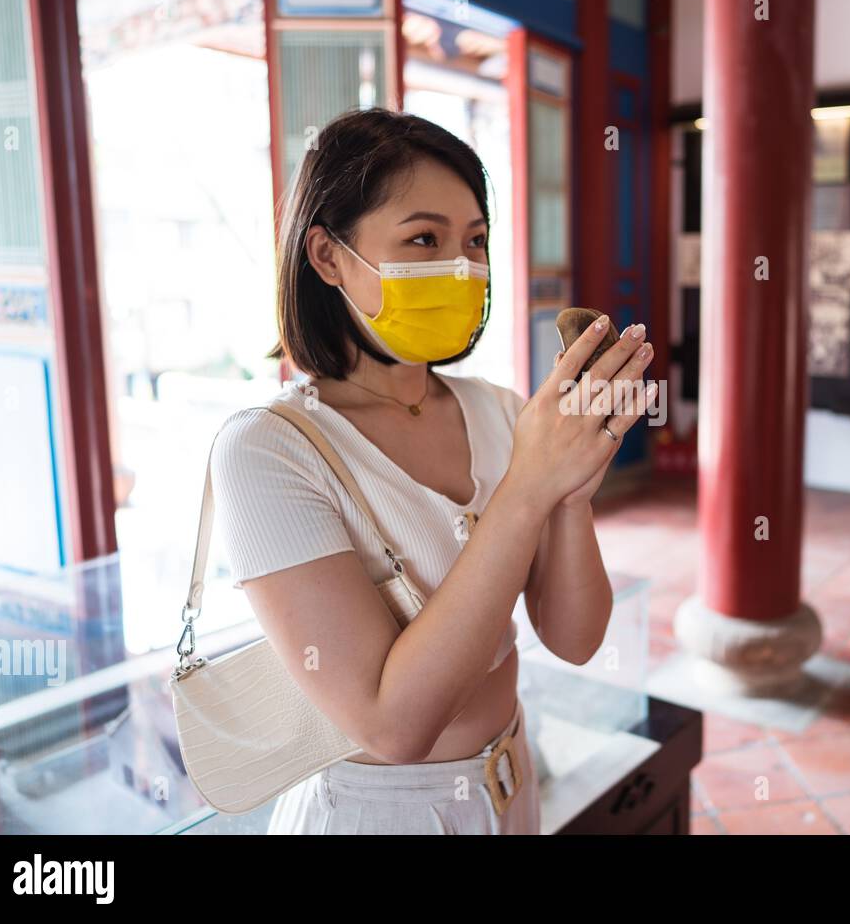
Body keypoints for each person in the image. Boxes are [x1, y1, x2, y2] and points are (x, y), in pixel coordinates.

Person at [208, 108, 657, 833]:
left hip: (510, 784)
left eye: (475, 241)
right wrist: (527, 489)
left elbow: (576, 640)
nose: (462, 266)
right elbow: (392, 727)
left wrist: (569, 495)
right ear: (327, 257)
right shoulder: (267, 451)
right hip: (378, 813)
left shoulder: (502, 412)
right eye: (424, 238)